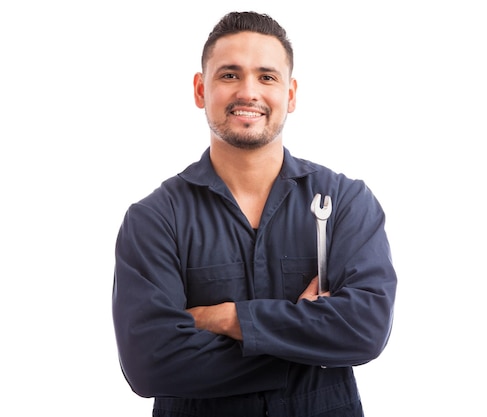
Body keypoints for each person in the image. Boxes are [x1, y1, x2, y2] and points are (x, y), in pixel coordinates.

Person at [112, 11, 397, 417]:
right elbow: (149, 363)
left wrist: (226, 318)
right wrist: (308, 346)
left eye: (267, 77)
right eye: (229, 75)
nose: (249, 91)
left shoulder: (345, 202)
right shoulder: (155, 219)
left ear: (291, 94)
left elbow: (365, 329)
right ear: (200, 90)